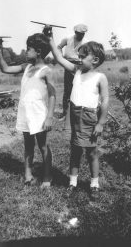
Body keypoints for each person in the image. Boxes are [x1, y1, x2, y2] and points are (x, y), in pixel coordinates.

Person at [50, 36, 109, 200]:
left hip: (89, 117)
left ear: (95, 60)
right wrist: (50, 38)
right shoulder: (76, 71)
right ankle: (72, 183)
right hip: (75, 114)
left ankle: (94, 185)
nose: (79, 59)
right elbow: (59, 57)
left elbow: (105, 100)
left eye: (83, 56)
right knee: (75, 151)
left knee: (91, 152)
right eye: (79, 56)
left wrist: (100, 123)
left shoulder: (100, 78)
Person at [0, 33, 56, 188]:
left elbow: (52, 95)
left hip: (38, 113)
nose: (26, 51)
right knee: (28, 145)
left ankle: (47, 177)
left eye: (28, 49)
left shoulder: (46, 70)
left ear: (38, 52)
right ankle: (28, 175)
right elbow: (5, 68)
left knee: (43, 146)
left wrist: (49, 116)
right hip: (25, 112)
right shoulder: (26, 66)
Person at [57, 24, 88, 121]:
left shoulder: (86, 42)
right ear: (75, 32)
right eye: (79, 33)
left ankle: (79, 113)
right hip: (68, 64)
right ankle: (65, 113)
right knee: (67, 90)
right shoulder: (68, 39)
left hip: (79, 65)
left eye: (82, 34)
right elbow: (58, 47)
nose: (80, 36)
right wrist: (61, 57)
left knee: (79, 88)